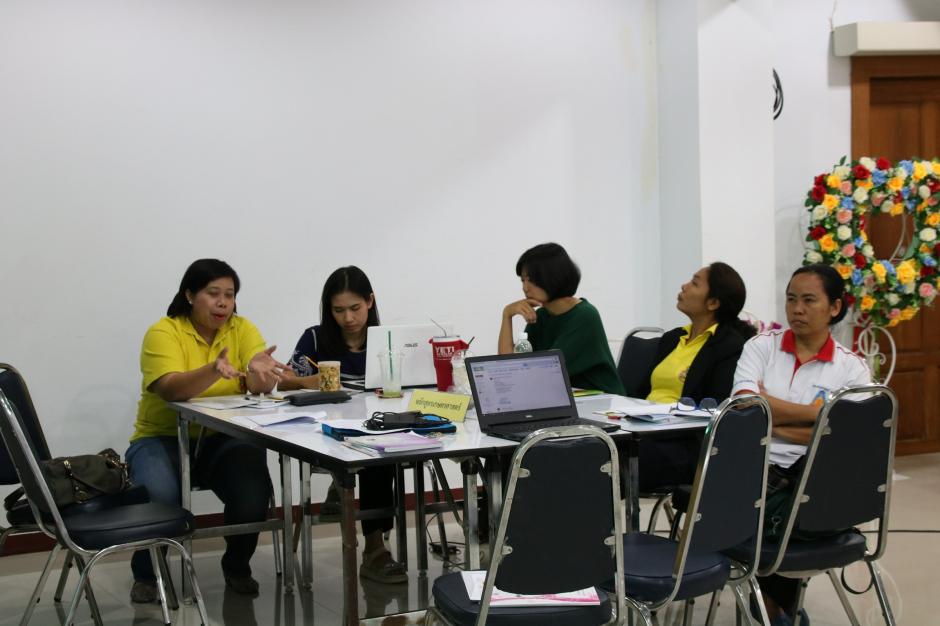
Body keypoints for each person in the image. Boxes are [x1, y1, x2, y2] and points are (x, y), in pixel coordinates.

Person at [126, 259, 289, 602]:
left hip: (221, 438)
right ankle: (147, 573)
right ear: (189, 294)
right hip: (161, 438)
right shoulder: (164, 332)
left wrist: (260, 375)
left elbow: (258, 384)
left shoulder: (242, 329)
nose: (223, 303)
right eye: (213, 293)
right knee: (160, 497)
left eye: (229, 295)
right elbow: (170, 389)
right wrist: (214, 370)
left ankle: (237, 566)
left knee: (252, 493)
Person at [733, 264, 871, 626]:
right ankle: (780, 610)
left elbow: (847, 439)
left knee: (782, 512)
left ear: (835, 307)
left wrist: (772, 419)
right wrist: (819, 414)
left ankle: (773, 606)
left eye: (809, 300)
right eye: (791, 299)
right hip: (758, 465)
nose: (797, 309)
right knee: (758, 505)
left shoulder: (853, 369)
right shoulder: (761, 347)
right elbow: (746, 405)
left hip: (817, 477)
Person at [280, 266, 406, 584]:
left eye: (355, 308)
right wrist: (313, 381)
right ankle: (375, 548)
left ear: (370, 302)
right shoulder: (315, 337)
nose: (348, 318)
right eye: (338, 310)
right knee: (376, 456)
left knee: (381, 453)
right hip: (327, 432)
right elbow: (283, 383)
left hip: (374, 429)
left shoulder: (386, 341)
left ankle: (372, 539)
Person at [635, 262, 755, 491]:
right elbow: (641, 393)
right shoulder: (673, 338)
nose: (684, 286)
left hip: (684, 444)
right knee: (597, 447)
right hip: (645, 431)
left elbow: (714, 408)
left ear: (713, 303)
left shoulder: (729, 346)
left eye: (695, 283)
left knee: (611, 462)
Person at [498, 242, 625, 395]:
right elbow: (509, 368)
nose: (525, 288)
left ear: (552, 276)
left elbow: (547, 372)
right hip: (562, 397)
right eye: (523, 280)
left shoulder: (585, 316)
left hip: (603, 400)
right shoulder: (542, 315)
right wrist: (507, 315)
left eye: (530, 279)